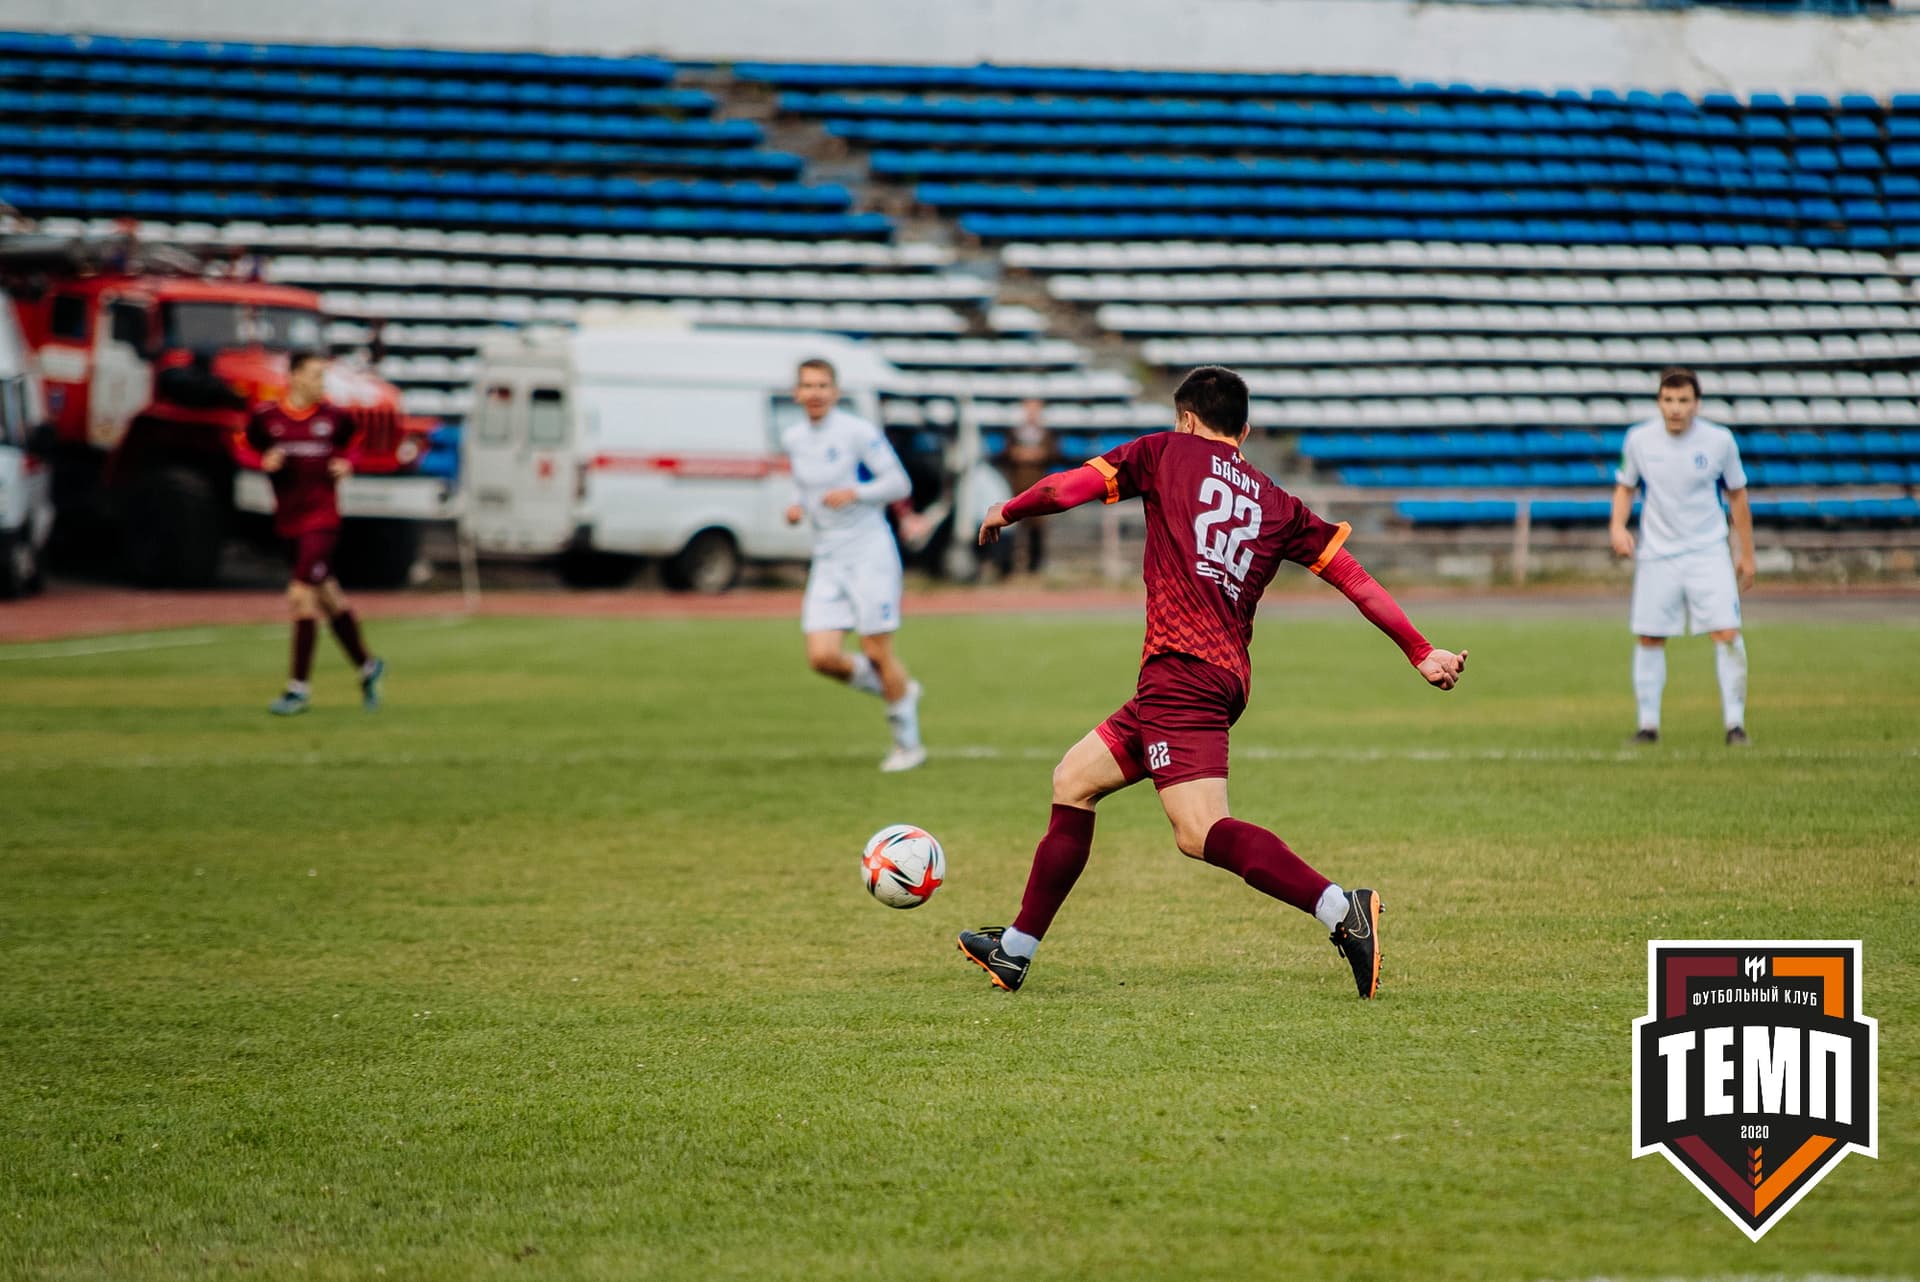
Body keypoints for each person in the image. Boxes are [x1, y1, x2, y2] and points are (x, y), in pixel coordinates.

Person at [958, 366, 1468, 999]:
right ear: (1245, 431)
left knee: (1199, 831)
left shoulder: (1161, 451)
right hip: (1206, 675)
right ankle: (1015, 950)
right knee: (1074, 780)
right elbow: (1356, 580)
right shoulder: (1277, 502)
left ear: (1187, 420)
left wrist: (1006, 508)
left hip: (1183, 673)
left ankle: (1342, 908)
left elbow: (1066, 491)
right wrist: (1419, 648)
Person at [782, 358, 926, 772]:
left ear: (835, 392)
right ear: (797, 393)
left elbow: (899, 483)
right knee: (821, 658)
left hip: (869, 553)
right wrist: (795, 506)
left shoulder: (857, 432)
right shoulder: (794, 438)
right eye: (807, 385)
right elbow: (802, 484)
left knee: (876, 651)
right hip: (828, 557)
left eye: (823, 385)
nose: (815, 393)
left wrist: (856, 493)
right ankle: (900, 689)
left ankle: (908, 745)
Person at [1609, 367, 1755, 746]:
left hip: (1708, 551)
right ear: (1659, 401)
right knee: (1650, 637)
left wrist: (1747, 554)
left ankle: (1735, 724)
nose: (1675, 409)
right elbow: (1625, 487)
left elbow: (1737, 496)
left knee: (1726, 633)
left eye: (1683, 400)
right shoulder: (1639, 439)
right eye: (1669, 400)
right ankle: (1648, 725)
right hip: (1658, 553)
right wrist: (1617, 527)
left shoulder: (1719, 441)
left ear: (1696, 403)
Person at [242, 350, 385, 717]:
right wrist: (263, 461)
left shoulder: (334, 417)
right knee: (329, 597)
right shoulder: (267, 417)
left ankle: (297, 689)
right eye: (316, 375)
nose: (322, 382)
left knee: (300, 595)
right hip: (287, 520)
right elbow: (246, 444)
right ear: (293, 377)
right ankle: (368, 667)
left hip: (321, 520)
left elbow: (355, 444)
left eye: (324, 376)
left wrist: (347, 465)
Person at [998, 398, 1058, 574]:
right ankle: (1007, 566)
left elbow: (1054, 454)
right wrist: (1018, 454)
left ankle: (1034, 566)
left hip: (1039, 488)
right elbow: (1005, 454)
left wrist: (1039, 454)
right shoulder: (1013, 433)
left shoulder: (1047, 433)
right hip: (1016, 486)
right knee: (1012, 527)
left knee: (1036, 528)